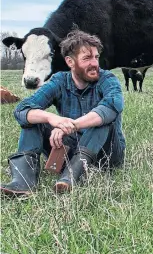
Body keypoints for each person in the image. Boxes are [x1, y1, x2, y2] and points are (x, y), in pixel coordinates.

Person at [1, 29, 125, 197]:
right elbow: (22, 109)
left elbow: (110, 108)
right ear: (70, 62)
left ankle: (71, 177)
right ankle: (23, 182)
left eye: (96, 57)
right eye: (87, 58)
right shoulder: (60, 80)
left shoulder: (107, 79)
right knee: (32, 119)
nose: (95, 63)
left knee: (101, 120)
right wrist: (53, 119)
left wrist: (71, 125)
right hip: (69, 150)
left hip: (106, 155)